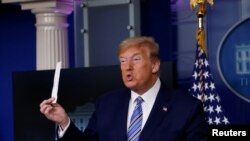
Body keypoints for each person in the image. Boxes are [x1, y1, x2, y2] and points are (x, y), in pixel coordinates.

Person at [40, 36, 208, 141]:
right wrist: (64, 122)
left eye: (135, 59)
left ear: (155, 65)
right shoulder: (107, 104)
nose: (127, 67)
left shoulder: (187, 108)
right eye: (122, 61)